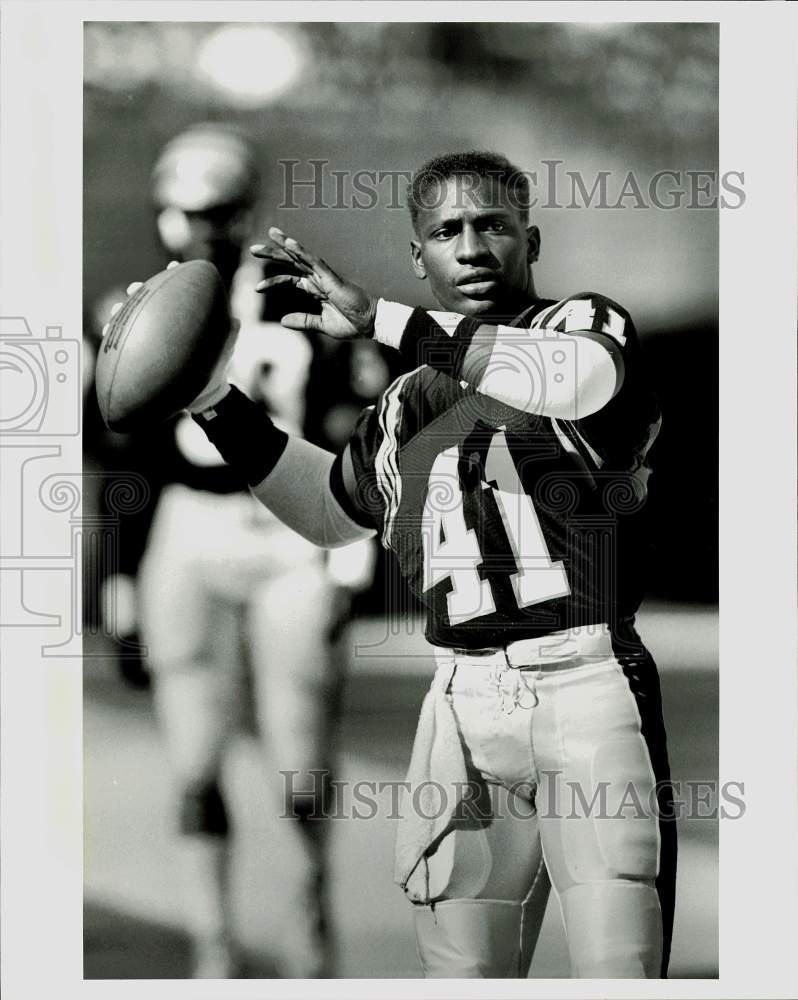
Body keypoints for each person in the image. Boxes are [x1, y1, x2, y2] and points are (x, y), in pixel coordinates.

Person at [127, 150, 675, 978]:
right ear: (421, 257)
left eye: (492, 225)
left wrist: (383, 316)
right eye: (446, 232)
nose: (473, 248)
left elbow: (579, 381)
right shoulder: (406, 400)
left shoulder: (582, 325)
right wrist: (214, 401)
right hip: (458, 697)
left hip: (585, 681)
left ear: (531, 239)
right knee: (462, 978)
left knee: (617, 973)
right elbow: (324, 510)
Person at [116, 124, 381, 978]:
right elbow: (127, 457)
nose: (204, 229)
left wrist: (351, 552)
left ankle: (309, 914)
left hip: (289, 527)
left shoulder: (296, 293)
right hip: (189, 527)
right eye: (189, 212)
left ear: (245, 209)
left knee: (299, 759)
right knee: (194, 759)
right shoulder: (134, 302)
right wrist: (121, 576)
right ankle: (213, 942)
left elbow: (350, 427)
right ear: (166, 214)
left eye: (219, 210)